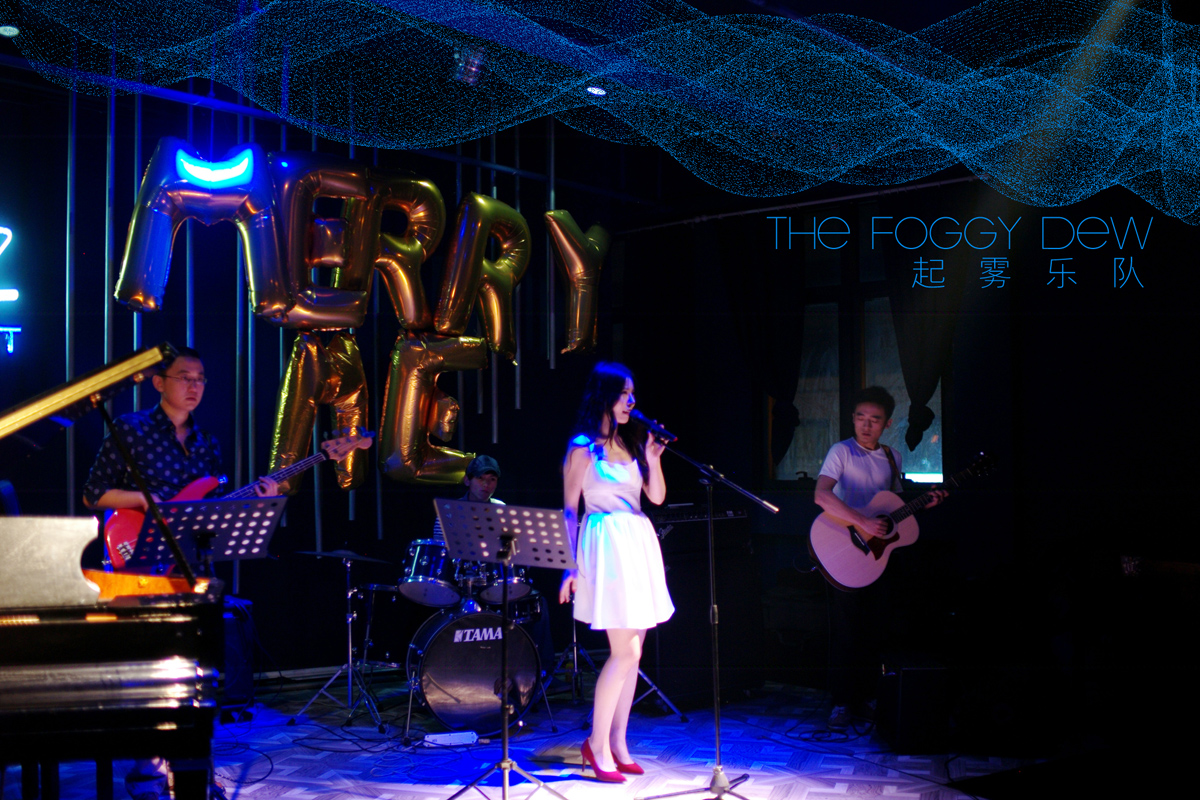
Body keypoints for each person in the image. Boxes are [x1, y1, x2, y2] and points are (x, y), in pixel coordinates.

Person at [81, 346, 276, 800]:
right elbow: (93, 493)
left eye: (201, 378)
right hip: (141, 563)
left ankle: (195, 771)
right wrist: (143, 501)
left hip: (191, 568)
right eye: (185, 376)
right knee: (149, 670)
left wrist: (259, 498)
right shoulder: (130, 429)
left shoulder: (207, 442)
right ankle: (148, 776)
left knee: (194, 672)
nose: (194, 385)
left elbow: (212, 510)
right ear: (159, 382)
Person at [559, 362, 673, 783]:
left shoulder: (632, 443)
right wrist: (568, 567)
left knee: (634, 653)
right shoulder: (582, 448)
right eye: (624, 393)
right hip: (605, 545)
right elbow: (569, 510)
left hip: (637, 543)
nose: (631, 401)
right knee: (623, 652)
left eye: (632, 393)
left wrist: (654, 459)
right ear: (605, 395)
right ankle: (596, 743)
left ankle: (619, 743)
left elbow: (655, 497)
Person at [813, 386, 945, 731]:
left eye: (874, 419)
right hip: (844, 548)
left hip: (878, 555)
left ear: (887, 423)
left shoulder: (892, 456)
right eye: (860, 418)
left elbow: (893, 506)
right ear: (852, 419)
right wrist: (862, 521)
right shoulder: (841, 451)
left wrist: (924, 504)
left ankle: (870, 697)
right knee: (846, 630)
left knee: (876, 628)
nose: (866, 425)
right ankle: (841, 702)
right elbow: (821, 495)